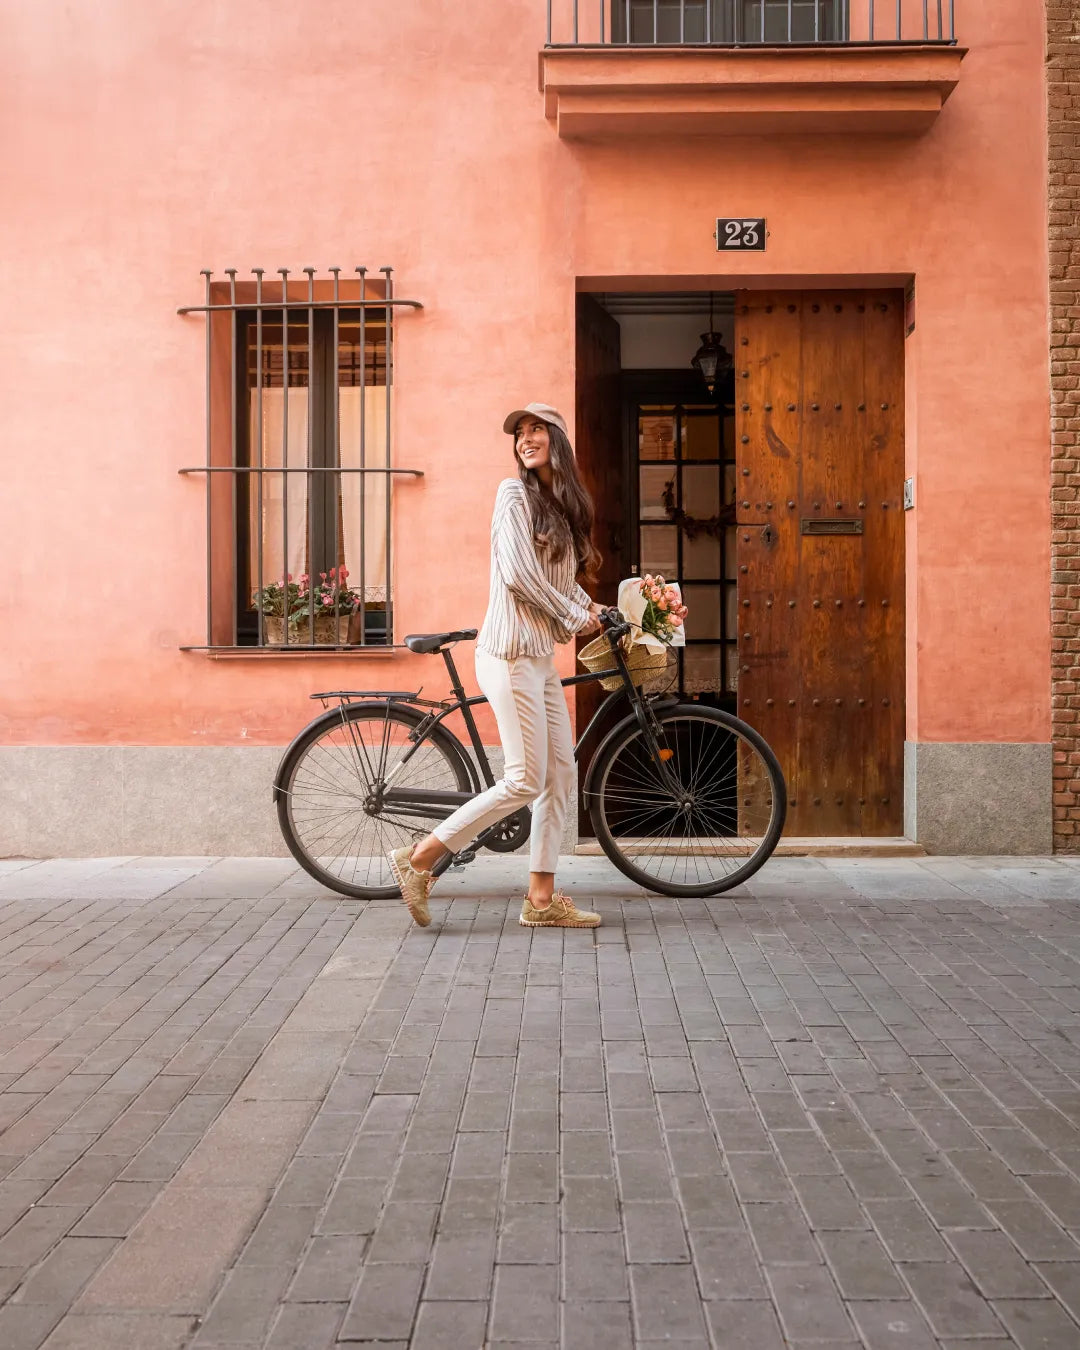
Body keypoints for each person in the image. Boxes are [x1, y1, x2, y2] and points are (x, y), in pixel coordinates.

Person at [388, 402, 607, 930]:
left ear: (557, 439)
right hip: (508, 655)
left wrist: (601, 609)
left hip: (538, 658)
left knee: (560, 774)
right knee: (525, 779)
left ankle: (541, 899)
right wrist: (578, 617)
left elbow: (555, 580)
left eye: (536, 430)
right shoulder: (512, 495)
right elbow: (518, 575)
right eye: (519, 433)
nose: (525, 439)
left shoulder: (560, 504)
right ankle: (419, 860)